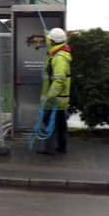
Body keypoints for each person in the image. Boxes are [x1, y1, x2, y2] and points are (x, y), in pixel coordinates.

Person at [39, 27, 72, 155]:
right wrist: (46, 32)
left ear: (53, 42)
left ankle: (49, 149)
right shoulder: (59, 51)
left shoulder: (59, 57)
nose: (48, 41)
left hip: (55, 99)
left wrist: (50, 96)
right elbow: (51, 40)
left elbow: (59, 80)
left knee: (49, 123)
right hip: (59, 98)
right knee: (59, 123)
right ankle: (61, 147)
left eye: (50, 40)